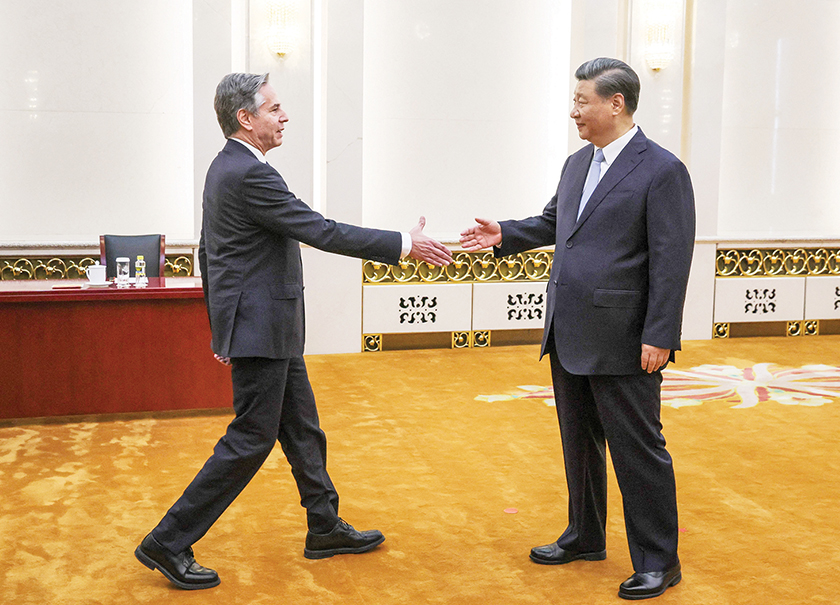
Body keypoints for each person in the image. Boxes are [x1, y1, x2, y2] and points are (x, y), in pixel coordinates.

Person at [135, 72, 453, 590]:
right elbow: (320, 230)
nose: (284, 117)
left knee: (303, 429)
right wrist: (403, 243)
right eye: (274, 108)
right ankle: (168, 540)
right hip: (262, 329)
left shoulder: (228, 167)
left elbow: (209, 253)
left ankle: (324, 526)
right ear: (245, 118)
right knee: (250, 439)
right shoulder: (248, 174)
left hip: (268, 327)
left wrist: (222, 327)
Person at [460, 58, 695, 600]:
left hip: (626, 338)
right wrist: (504, 234)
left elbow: (672, 259)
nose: (574, 111)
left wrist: (660, 334)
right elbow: (554, 222)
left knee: (638, 450)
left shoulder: (662, 170)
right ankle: (585, 535)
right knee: (580, 444)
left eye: (582, 101)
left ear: (616, 103)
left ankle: (659, 560)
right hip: (568, 331)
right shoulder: (576, 164)